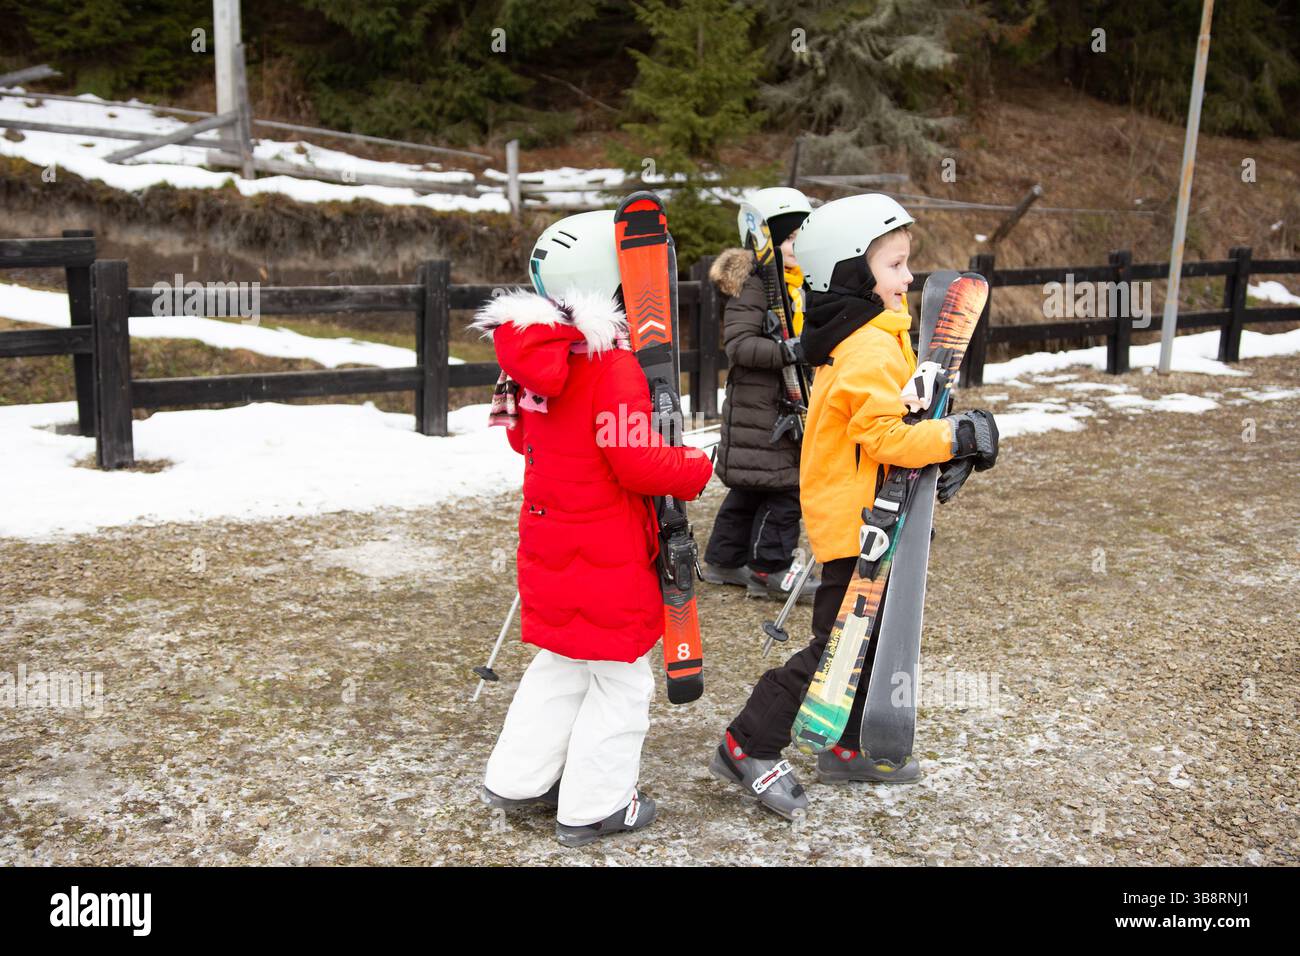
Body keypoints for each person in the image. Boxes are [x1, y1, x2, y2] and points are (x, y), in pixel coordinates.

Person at [707, 194, 1000, 819]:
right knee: (838, 647)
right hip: (856, 523)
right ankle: (747, 741)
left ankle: (845, 742)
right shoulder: (867, 347)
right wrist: (957, 437)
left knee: (864, 641)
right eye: (896, 265)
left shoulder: (878, 335)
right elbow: (888, 437)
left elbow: (902, 417)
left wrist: (947, 445)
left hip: (876, 515)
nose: (909, 277)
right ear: (850, 274)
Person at [472, 210, 714, 847]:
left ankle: (518, 778)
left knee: (562, 663)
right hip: (606, 554)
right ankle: (595, 805)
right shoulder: (612, 369)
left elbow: (523, 436)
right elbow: (636, 461)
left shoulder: (538, 362)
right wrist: (695, 466)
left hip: (552, 546)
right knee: (621, 678)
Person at [701, 186, 820, 604]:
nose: (799, 247)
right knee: (787, 488)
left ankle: (723, 559)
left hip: (775, 406)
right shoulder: (755, 285)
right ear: (767, 240)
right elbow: (740, 346)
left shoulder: (796, 286)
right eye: (790, 239)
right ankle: (769, 569)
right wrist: (791, 350)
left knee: (752, 487)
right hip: (762, 408)